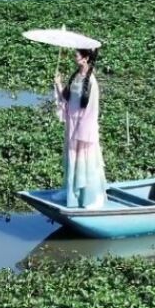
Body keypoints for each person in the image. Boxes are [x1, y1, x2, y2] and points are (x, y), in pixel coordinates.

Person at [53, 48, 106, 208]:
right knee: (72, 160)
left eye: (76, 55)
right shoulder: (75, 76)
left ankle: (89, 198)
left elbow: (91, 111)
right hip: (72, 123)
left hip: (83, 128)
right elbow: (66, 99)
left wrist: (82, 131)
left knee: (84, 161)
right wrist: (58, 84)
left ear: (85, 58)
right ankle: (70, 193)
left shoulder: (91, 82)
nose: (74, 57)